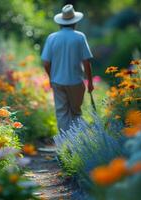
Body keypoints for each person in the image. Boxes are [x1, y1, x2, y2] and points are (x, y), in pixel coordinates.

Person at [41, 4, 94, 132]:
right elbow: (86, 62)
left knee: (62, 114)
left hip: (58, 82)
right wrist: (90, 83)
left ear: (60, 23)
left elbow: (46, 63)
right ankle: (77, 144)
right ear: (75, 22)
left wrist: (51, 77)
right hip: (76, 82)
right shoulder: (79, 37)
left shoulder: (52, 38)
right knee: (76, 113)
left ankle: (65, 146)